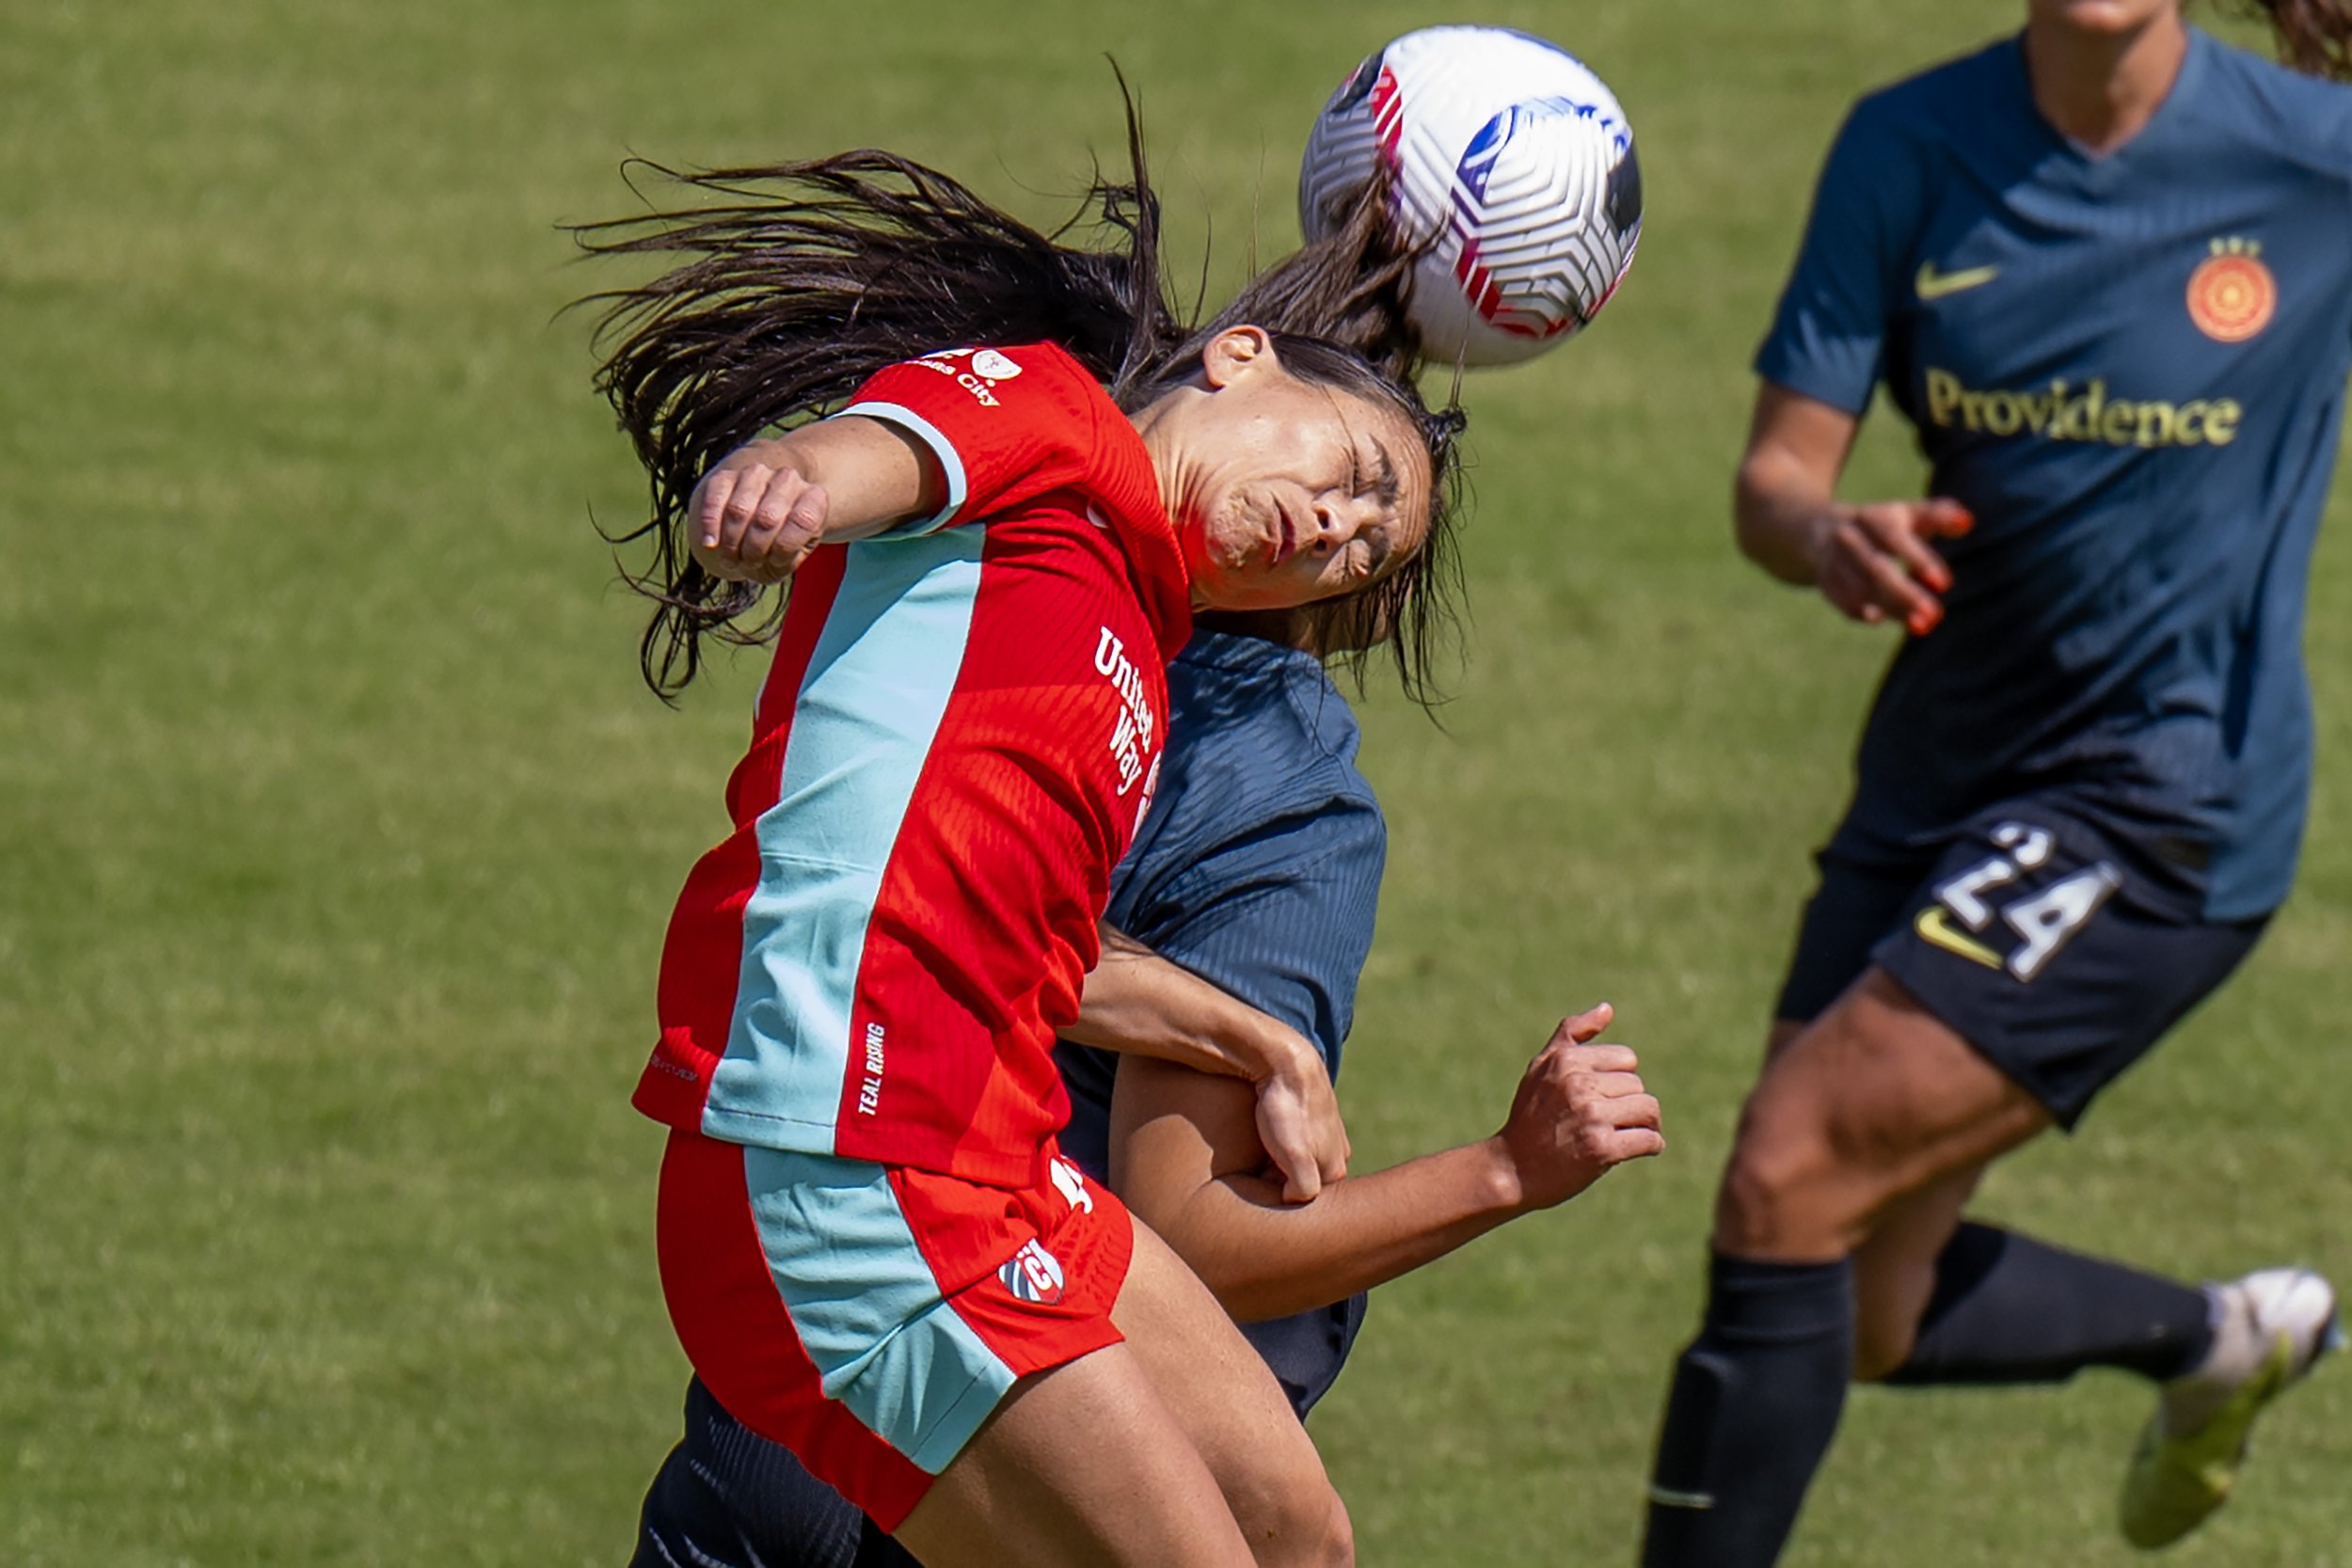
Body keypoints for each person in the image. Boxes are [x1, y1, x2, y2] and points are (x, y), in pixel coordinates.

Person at [578, 116, 1603, 1566]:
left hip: (983, 1154)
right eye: (1359, 477)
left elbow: (1046, 962)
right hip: (844, 1153)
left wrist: (1264, 1045)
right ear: (1242, 355)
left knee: (1294, 1531)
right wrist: (797, 479)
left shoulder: (1129, 643)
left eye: (1364, 553)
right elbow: (898, 445)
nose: (1337, 531)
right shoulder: (1056, 431)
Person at [1638, 3, 2352, 1562]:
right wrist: (1824, 537)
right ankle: (2220, 1338)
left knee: (1786, 1172)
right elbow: (1776, 482)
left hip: (2162, 800)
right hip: (1939, 775)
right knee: (1863, 1300)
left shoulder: (2314, 160)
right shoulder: (1909, 145)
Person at [625, 597, 1665, 1568]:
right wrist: (1501, 1171)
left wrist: (1242, 1035)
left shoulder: (1008, 636)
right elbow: (1197, 1230)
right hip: (1009, 1442)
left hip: (778, 1363)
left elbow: (951, 932)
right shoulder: (1282, 796)